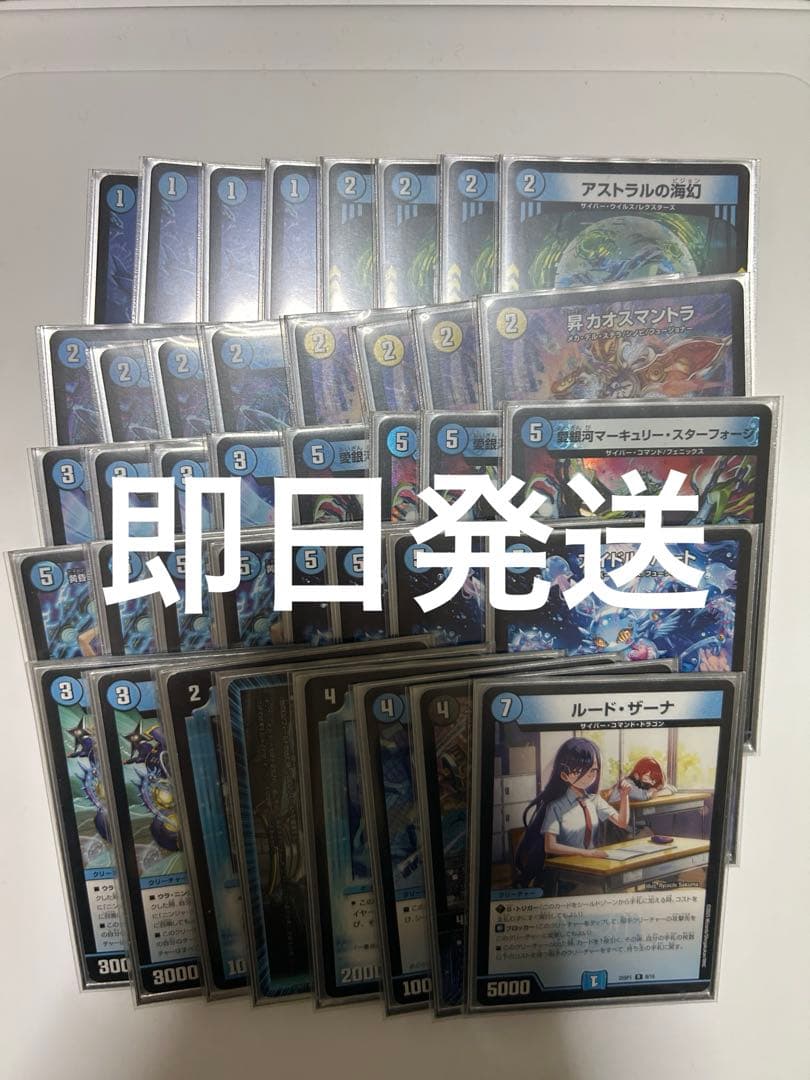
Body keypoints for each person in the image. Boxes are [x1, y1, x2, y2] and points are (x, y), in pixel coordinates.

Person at [513, 737, 630, 888]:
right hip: (563, 873)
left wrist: (624, 796)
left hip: (591, 867)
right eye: (579, 771)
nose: (589, 775)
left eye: (593, 770)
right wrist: (587, 853)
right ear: (564, 775)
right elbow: (550, 846)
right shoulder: (556, 806)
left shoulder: (594, 800)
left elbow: (622, 822)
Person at [607, 756, 674, 804]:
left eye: (653, 779)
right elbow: (643, 796)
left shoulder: (641, 785)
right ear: (636, 775)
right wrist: (656, 793)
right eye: (647, 777)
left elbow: (672, 789)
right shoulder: (627, 783)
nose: (651, 782)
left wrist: (658, 788)